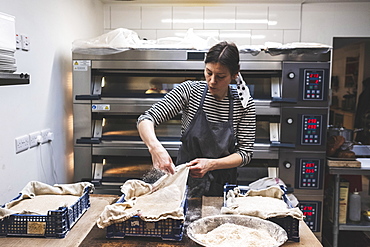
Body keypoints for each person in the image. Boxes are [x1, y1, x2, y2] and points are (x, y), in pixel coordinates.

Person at [137, 41, 256, 197]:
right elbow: (146, 119)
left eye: (220, 76)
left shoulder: (243, 104)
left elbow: (245, 153)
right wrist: (155, 148)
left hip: (222, 185)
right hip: (184, 182)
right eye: (208, 72)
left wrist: (211, 164)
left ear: (234, 75)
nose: (212, 81)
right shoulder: (190, 91)